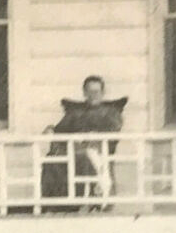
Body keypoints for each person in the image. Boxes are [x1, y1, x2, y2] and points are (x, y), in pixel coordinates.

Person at [41, 74, 127, 208]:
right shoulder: (75, 113)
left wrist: (89, 138)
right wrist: (51, 130)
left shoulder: (111, 113)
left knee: (86, 157)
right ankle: (55, 203)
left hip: (96, 151)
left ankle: (90, 200)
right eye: (89, 92)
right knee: (52, 159)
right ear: (84, 93)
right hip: (73, 150)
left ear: (102, 93)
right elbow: (60, 130)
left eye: (96, 92)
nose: (93, 95)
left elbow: (112, 135)